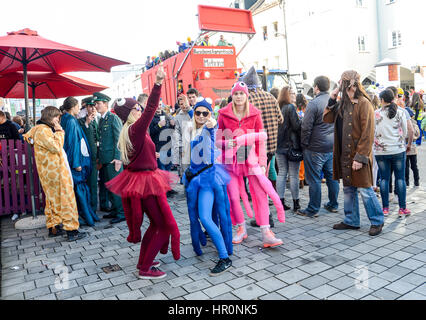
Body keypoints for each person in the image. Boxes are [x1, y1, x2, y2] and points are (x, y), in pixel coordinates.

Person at [105, 65, 180, 279]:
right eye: (136, 107)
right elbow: (152, 108)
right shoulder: (135, 128)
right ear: (130, 113)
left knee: (156, 224)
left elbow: (135, 157)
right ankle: (145, 269)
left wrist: (150, 157)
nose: (140, 109)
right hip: (146, 184)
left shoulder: (130, 131)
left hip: (144, 179)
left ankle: (143, 261)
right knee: (163, 225)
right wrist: (158, 83)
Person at [217, 81, 285, 248]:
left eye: (242, 93)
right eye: (236, 94)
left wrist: (262, 162)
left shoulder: (255, 113)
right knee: (233, 196)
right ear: (231, 96)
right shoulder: (223, 114)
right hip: (231, 160)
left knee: (260, 194)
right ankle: (241, 228)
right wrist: (228, 144)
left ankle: (266, 232)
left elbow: (261, 140)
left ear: (246, 95)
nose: (239, 96)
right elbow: (218, 141)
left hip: (251, 159)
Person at [324, 70, 384, 236]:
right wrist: (333, 96)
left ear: (353, 84)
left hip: (358, 155)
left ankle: (377, 221)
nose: (342, 86)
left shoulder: (364, 103)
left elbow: (368, 133)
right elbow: (327, 119)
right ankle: (351, 221)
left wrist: (360, 157)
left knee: (365, 189)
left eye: (344, 83)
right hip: (344, 154)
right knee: (348, 188)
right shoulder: (343, 103)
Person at [183, 98, 233, 275]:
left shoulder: (209, 127)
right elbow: (193, 113)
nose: (202, 116)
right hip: (195, 179)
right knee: (200, 216)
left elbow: (212, 125)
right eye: (199, 113)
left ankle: (225, 258)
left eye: (206, 113)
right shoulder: (194, 128)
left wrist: (212, 122)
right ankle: (209, 241)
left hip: (207, 180)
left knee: (204, 217)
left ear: (210, 114)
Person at [23, 107, 86, 241]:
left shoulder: (37, 129)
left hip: (48, 172)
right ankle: (72, 230)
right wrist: (59, 132)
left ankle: (54, 227)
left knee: (53, 200)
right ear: (52, 117)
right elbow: (56, 147)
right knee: (66, 199)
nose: (58, 120)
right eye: (57, 117)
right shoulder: (44, 131)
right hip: (57, 171)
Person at [241, 66, 284, 227]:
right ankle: (264, 217)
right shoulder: (271, 97)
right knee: (263, 182)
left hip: (254, 151)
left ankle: (266, 218)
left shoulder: (247, 101)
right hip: (271, 148)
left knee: (257, 186)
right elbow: (280, 119)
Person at [300, 76, 339, 217]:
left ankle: (313, 209)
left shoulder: (314, 103)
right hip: (331, 145)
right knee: (332, 176)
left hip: (315, 147)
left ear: (316, 87)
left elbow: (306, 127)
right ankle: (333, 204)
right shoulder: (334, 102)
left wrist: (304, 144)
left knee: (314, 179)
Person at [61, 97, 100, 227]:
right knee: (80, 191)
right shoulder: (71, 120)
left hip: (74, 160)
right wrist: (76, 163)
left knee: (79, 191)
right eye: (78, 106)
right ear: (73, 107)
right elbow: (73, 143)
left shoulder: (66, 118)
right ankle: (86, 217)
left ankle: (86, 216)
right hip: (76, 162)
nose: (79, 109)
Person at [374, 89, 410, 217]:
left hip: (381, 151)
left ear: (382, 100)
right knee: (400, 179)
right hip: (398, 150)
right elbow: (405, 132)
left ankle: (385, 208)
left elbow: (372, 132)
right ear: (393, 99)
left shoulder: (376, 113)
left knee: (384, 179)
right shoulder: (400, 112)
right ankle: (402, 208)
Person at [93, 92, 125, 224]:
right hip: (105, 159)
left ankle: (122, 213)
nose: (96, 106)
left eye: (98, 103)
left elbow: (119, 139)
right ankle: (115, 209)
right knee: (110, 187)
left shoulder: (113, 118)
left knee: (116, 187)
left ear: (105, 104)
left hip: (113, 159)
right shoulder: (102, 119)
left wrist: (118, 158)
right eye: (95, 103)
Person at [276, 86, 302, 213]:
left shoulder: (277, 107)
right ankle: (296, 203)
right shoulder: (290, 107)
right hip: (292, 146)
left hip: (279, 146)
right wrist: (302, 120)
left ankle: (280, 202)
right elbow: (297, 126)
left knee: (282, 173)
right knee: (293, 175)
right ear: (287, 94)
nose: (294, 95)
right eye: (292, 93)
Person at [78, 97, 99, 213]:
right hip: (86, 157)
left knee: (95, 183)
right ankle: (89, 208)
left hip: (97, 155)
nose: (92, 108)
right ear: (86, 107)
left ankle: (94, 207)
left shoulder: (99, 118)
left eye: (94, 106)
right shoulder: (80, 119)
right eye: (90, 106)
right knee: (89, 183)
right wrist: (87, 123)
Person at [172, 94, 194, 181]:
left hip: (194, 145)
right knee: (185, 171)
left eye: (184, 103)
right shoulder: (178, 117)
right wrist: (179, 147)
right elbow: (177, 133)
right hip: (184, 147)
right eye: (181, 104)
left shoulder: (194, 112)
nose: (183, 106)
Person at [149, 103, 175, 171]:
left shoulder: (167, 116)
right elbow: (150, 133)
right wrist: (159, 126)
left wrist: (173, 125)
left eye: (160, 105)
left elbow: (171, 132)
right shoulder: (151, 118)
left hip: (169, 147)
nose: (158, 107)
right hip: (159, 148)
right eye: (157, 105)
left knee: (168, 170)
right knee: (162, 170)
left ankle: (167, 182)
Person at [296, 93, 308, 189]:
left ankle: (300, 179)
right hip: (305, 135)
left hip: (298, 136)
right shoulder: (306, 108)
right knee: (304, 159)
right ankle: (303, 178)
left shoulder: (295, 109)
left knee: (299, 159)